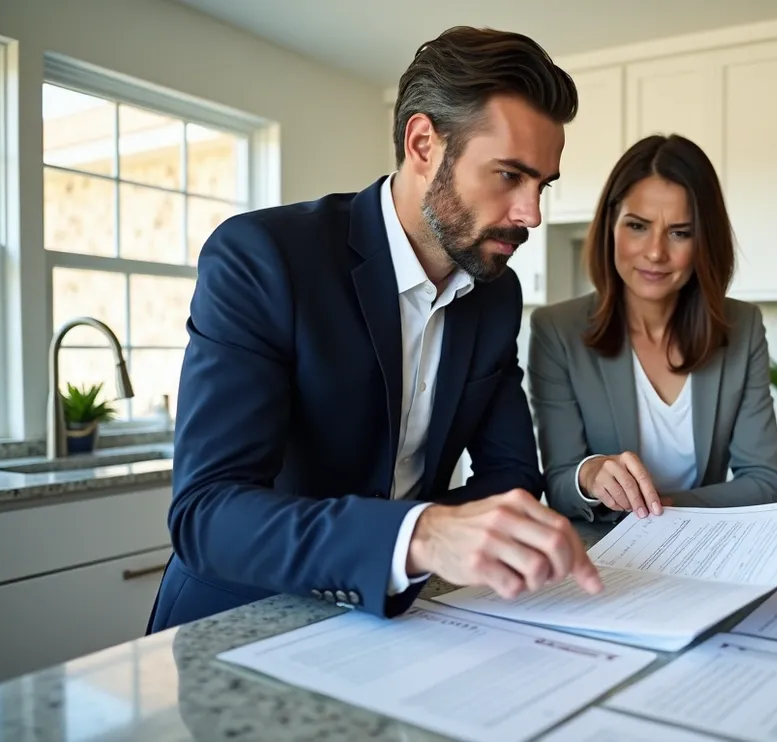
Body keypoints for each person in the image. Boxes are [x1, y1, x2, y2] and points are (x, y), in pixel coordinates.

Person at [147, 26, 602, 634]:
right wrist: (419, 536)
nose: (532, 214)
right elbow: (208, 514)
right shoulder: (263, 258)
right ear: (422, 144)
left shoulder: (496, 294)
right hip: (239, 621)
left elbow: (511, 477)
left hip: (405, 620)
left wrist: (431, 549)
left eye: (541, 185)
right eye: (509, 176)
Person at [527, 134, 777, 541]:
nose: (654, 252)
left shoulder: (742, 327)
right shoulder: (557, 329)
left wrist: (662, 508)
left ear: (705, 241)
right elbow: (560, 485)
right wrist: (589, 476)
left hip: (708, 551)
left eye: (680, 232)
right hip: (604, 560)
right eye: (637, 226)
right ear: (610, 226)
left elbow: (762, 479)